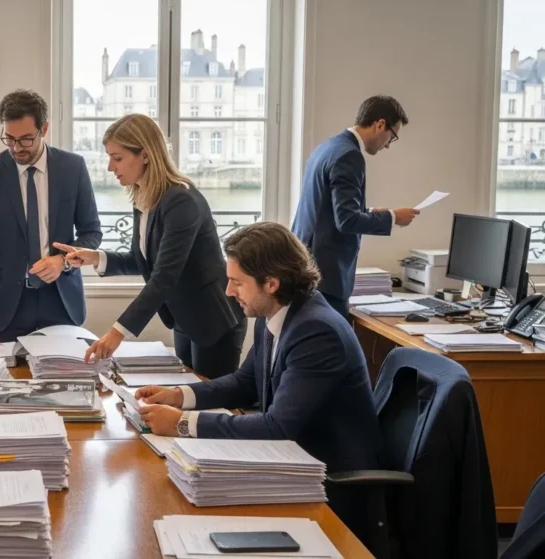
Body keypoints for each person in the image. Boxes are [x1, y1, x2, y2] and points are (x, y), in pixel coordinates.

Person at [134, 222, 381, 538]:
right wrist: (180, 395)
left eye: (237, 282)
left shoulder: (317, 332)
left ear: (271, 283)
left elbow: (277, 427)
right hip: (289, 463)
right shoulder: (277, 313)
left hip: (329, 483)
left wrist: (182, 423)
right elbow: (245, 382)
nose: (228, 291)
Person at [55, 114, 245, 378]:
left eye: (117, 158)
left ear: (145, 155)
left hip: (213, 318)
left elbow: (164, 276)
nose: (110, 167)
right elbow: (143, 260)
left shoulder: (182, 201)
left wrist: (117, 333)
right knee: (186, 393)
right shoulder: (144, 197)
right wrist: (95, 258)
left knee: (209, 397)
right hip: (184, 318)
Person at [0, 89, 102, 347]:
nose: (17, 148)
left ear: (44, 129)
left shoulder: (72, 167)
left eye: (26, 139)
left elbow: (92, 232)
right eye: (9, 139)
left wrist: (63, 261)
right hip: (8, 305)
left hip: (61, 299)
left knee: (63, 371)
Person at [291, 95, 419, 318]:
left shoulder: (327, 147)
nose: (388, 145)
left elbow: (327, 209)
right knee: (330, 337)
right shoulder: (350, 156)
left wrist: (369, 212)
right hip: (326, 276)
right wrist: (393, 217)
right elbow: (347, 221)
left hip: (306, 266)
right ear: (380, 124)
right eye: (392, 137)